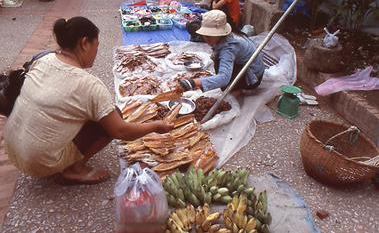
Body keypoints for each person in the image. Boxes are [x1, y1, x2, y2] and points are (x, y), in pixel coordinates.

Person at [3, 17, 173, 185]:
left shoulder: (43, 59)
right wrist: (156, 126)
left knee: (93, 110)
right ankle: (74, 170)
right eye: (96, 46)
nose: (96, 52)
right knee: (113, 116)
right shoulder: (90, 85)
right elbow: (121, 132)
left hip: (12, 150)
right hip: (40, 163)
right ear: (84, 43)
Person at [179, 10, 264, 96]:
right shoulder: (228, 36)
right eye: (205, 35)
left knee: (219, 62)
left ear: (220, 33)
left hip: (253, 78)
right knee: (218, 59)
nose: (206, 39)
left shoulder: (229, 47)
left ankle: (237, 89)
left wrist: (193, 82)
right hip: (248, 68)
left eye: (210, 36)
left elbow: (224, 78)